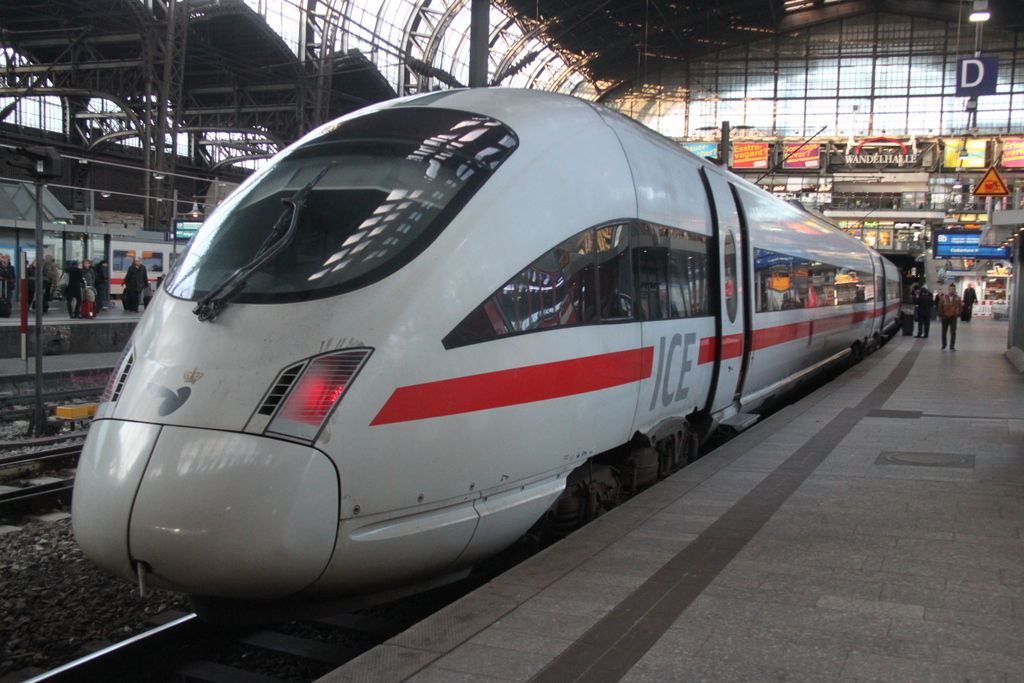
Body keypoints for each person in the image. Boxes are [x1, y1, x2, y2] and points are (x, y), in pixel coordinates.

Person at [936, 283, 962, 351]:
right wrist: (941, 315)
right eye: (950, 289)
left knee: (953, 332)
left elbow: (960, 307)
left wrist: (957, 314)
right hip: (945, 317)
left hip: (953, 317)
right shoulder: (943, 297)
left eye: (953, 289)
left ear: (955, 289)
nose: (951, 290)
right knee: (944, 332)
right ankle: (944, 345)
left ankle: (952, 346)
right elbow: (940, 306)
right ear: (948, 289)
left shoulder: (957, 298)